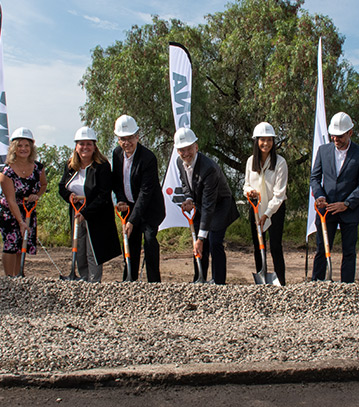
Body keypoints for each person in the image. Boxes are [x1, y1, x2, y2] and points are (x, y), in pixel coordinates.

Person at [310, 112, 359, 282]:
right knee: (322, 250)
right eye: (333, 135)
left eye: (340, 136)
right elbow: (315, 178)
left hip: (349, 212)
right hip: (326, 210)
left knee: (349, 252)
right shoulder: (323, 151)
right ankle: (316, 285)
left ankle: (346, 288)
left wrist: (347, 203)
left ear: (350, 133)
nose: (336, 139)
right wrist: (320, 196)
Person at [175, 127, 240, 285]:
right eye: (182, 150)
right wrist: (189, 198)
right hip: (201, 205)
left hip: (220, 205)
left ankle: (219, 282)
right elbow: (185, 183)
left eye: (189, 148)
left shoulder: (209, 168)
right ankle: (200, 278)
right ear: (177, 151)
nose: (186, 153)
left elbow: (209, 204)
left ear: (196, 147)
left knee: (213, 241)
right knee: (197, 241)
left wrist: (201, 238)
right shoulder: (179, 161)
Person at [58, 126, 120, 282]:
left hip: (96, 213)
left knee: (93, 250)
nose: (85, 147)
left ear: (94, 146)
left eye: (88, 144)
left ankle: (94, 281)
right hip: (76, 210)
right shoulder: (71, 166)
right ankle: (83, 277)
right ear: (76, 147)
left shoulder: (102, 166)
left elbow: (104, 194)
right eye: (81, 144)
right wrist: (70, 196)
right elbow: (61, 187)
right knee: (78, 248)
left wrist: (86, 213)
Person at [112, 115, 166, 282]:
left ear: (137, 136)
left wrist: (132, 220)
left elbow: (145, 192)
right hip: (129, 207)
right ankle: (129, 280)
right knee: (129, 242)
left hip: (149, 209)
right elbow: (116, 181)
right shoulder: (117, 153)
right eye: (122, 139)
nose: (126, 143)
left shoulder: (148, 158)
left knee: (149, 241)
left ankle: (154, 283)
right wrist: (120, 200)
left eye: (129, 138)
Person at [0, 127, 47, 276]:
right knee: (11, 243)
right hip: (8, 212)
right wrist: (21, 221)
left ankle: (19, 275)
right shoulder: (7, 172)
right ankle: (9, 278)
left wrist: (37, 195)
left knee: (21, 245)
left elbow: (43, 185)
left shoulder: (38, 168)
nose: (23, 149)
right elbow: (10, 200)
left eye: (26, 145)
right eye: (19, 146)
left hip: (28, 210)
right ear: (13, 148)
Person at [243, 122, 288, 285]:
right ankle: (262, 281)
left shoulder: (280, 163)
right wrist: (250, 192)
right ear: (256, 141)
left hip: (275, 209)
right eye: (262, 140)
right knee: (258, 246)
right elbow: (246, 184)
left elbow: (279, 194)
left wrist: (267, 214)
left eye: (269, 140)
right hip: (255, 208)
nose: (266, 144)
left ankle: (281, 282)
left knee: (275, 246)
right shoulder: (250, 161)